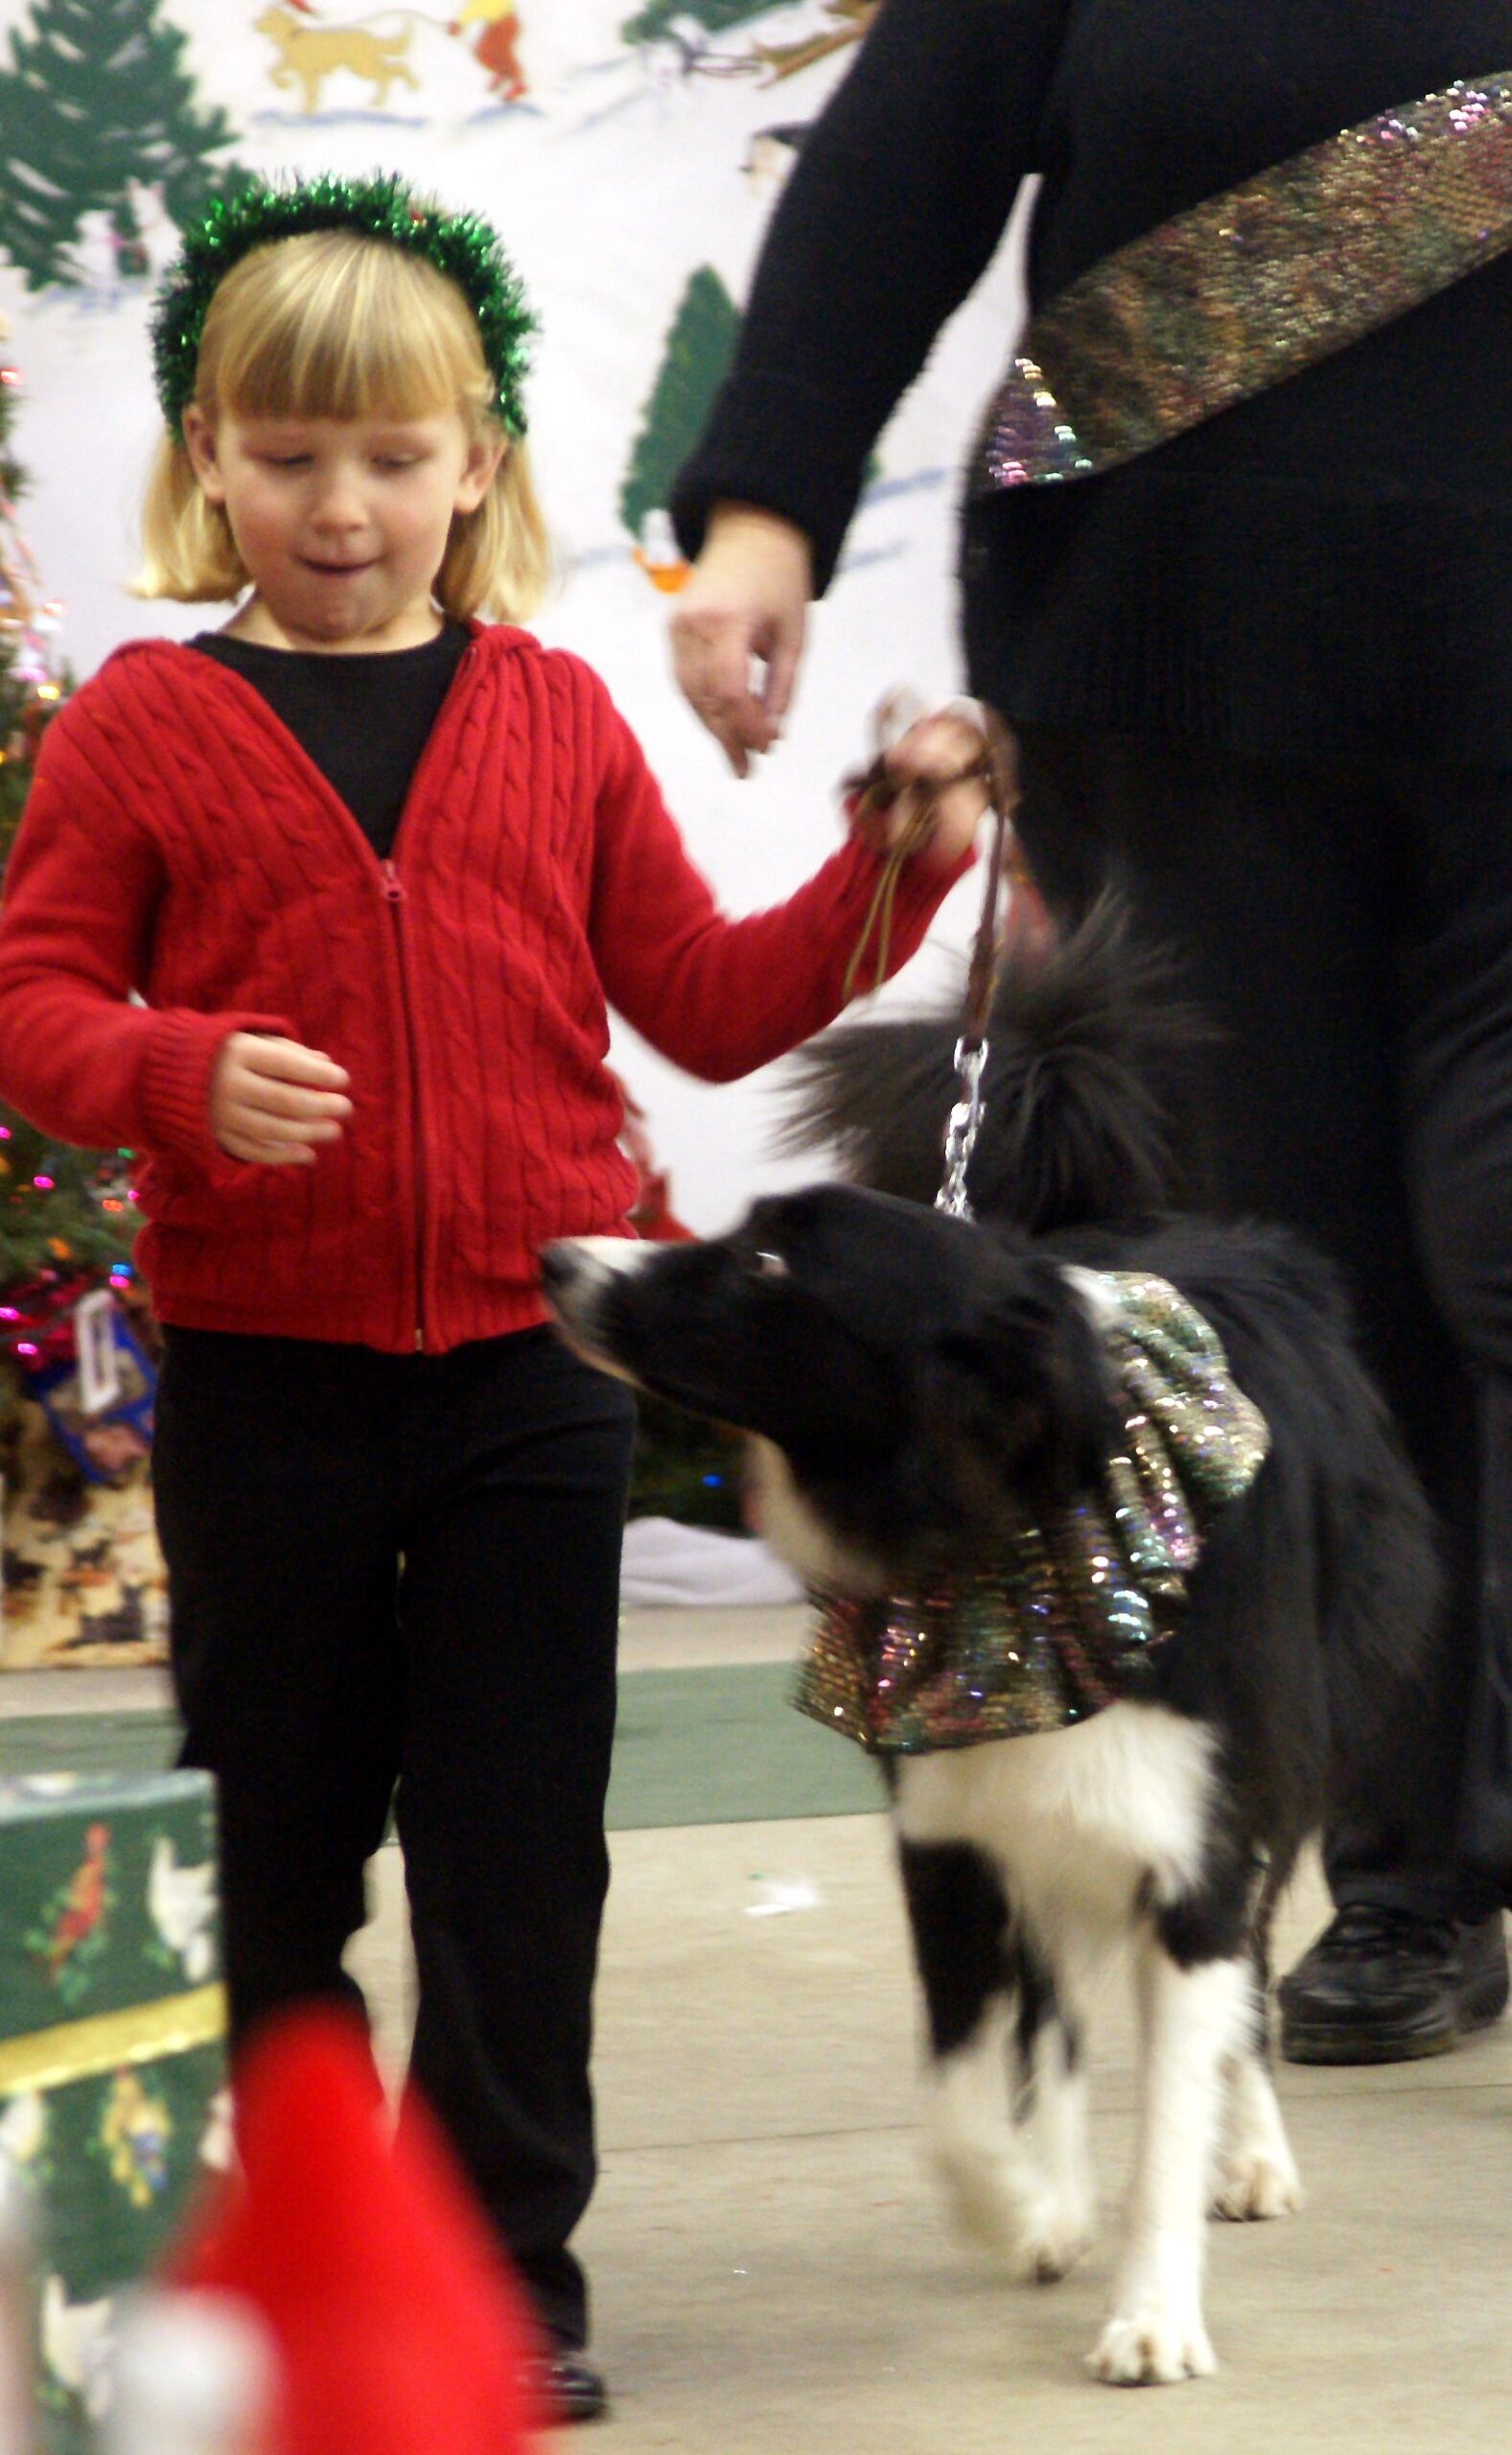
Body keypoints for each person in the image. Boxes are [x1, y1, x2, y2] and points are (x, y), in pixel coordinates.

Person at [0, 175, 988, 2425]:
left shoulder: (552, 713)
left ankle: (508, 2267)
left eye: (394, 457)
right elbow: (27, 1005)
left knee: (521, 1853)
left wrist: (889, 863)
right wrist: (168, 1071)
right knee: (273, 1841)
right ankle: (318, 2242)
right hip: (264, 1373)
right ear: (207, 459)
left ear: (481, 465)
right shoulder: (140, 724)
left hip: (534, 1375)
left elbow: (713, 1006)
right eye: (289, 452)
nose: (343, 506)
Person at [667, 0, 1512, 2066]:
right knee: (1333, 1295)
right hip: (1180, 678)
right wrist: (762, 501)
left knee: (1499, 1231)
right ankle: (1418, 1872)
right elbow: (896, 172)